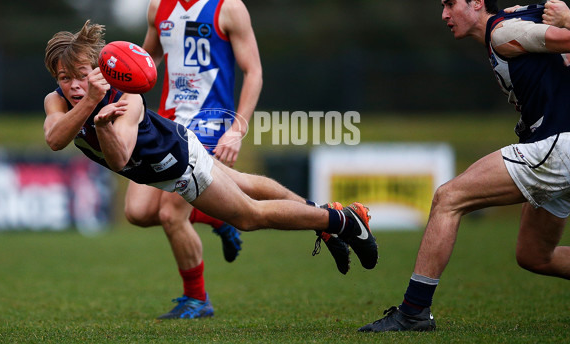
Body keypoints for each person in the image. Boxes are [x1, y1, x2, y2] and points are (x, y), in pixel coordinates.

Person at [42, 20, 379, 318]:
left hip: (181, 165)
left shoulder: (127, 99)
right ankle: (324, 215)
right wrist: (89, 105)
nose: (73, 86)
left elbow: (119, 159)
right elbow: (55, 139)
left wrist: (99, 119)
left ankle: (342, 221)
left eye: (82, 76)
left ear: (98, 72)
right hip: (166, 166)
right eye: (64, 77)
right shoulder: (57, 101)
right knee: (242, 185)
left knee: (250, 216)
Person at [123, 0, 349, 320]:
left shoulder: (229, 6)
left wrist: (237, 128)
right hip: (167, 123)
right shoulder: (160, 6)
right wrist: (122, 86)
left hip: (210, 124)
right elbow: (147, 63)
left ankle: (198, 299)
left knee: (168, 213)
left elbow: (255, 72)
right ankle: (221, 216)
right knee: (138, 212)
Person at [359, 0, 570, 333]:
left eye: (449, 4)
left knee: (448, 197)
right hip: (557, 146)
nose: (444, 14)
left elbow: (556, 35)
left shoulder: (504, 32)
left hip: (558, 146)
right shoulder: (509, 24)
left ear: (476, 2)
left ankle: (413, 312)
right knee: (534, 256)